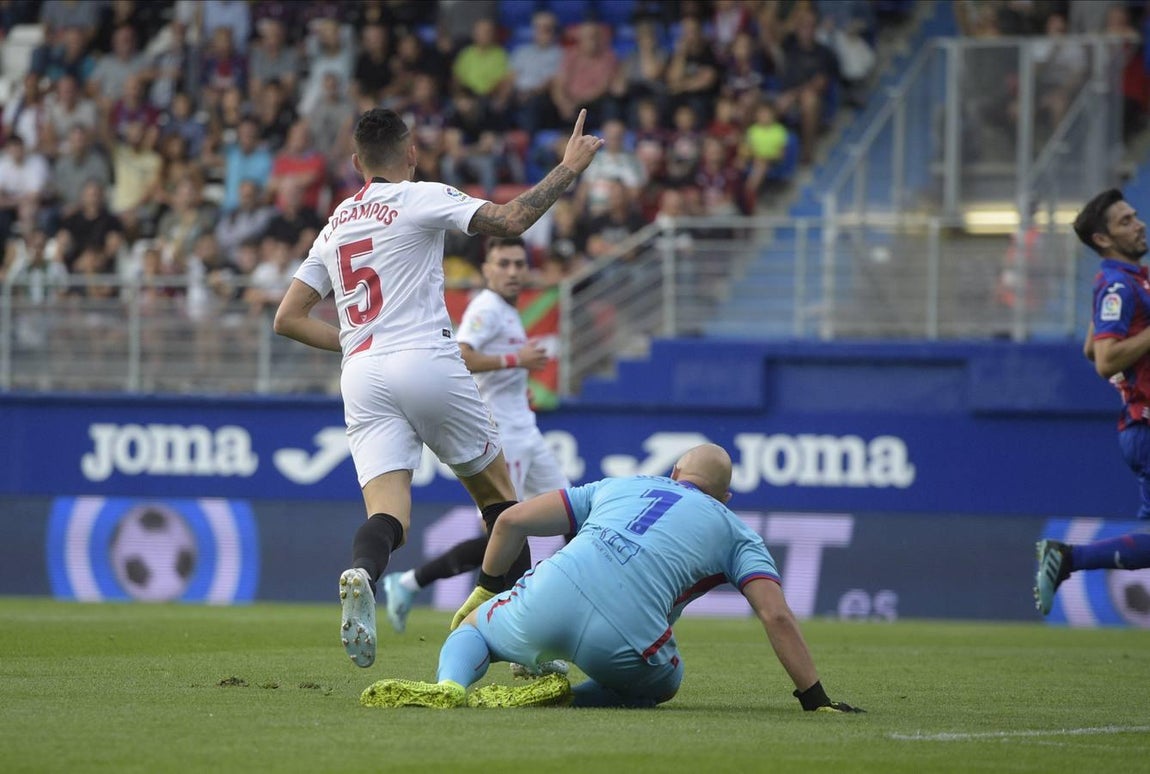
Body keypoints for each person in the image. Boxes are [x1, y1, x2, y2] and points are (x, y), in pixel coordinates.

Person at [272, 107, 603, 668]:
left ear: (356, 163)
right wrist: (568, 169)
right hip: (424, 358)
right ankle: (522, 645)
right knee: (503, 507)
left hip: (362, 374)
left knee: (389, 516)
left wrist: (353, 341)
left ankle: (365, 574)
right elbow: (511, 219)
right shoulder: (419, 195)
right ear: (412, 155)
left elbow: (287, 317)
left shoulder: (337, 222)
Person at [361, 443, 865, 712]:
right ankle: (564, 696)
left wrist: (485, 594)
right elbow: (774, 613)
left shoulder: (620, 485)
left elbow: (510, 520)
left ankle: (450, 685)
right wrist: (814, 698)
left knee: (473, 631)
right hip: (626, 641)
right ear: (725, 498)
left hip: (548, 597)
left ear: (672, 474)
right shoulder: (737, 531)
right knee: (665, 683)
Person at [380, 236, 570, 637]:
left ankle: (569, 601)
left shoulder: (506, 310)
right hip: (505, 437)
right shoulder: (486, 307)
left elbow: (495, 372)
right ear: (487, 269)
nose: (513, 272)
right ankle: (419, 585)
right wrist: (515, 360)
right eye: (504, 264)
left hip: (527, 431)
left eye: (519, 265)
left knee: (574, 516)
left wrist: (518, 383)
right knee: (506, 533)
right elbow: (462, 354)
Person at [1036, 189, 1150, 616]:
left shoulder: (1131, 279)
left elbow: (1090, 345)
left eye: (1135, 216)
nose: (1138, 223)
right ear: (1102, 239)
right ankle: (1068, 558)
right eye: (1125, 221)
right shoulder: (1119, 284)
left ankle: (1068, 558)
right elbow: (1104, 359)